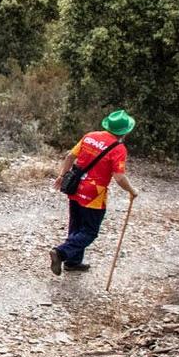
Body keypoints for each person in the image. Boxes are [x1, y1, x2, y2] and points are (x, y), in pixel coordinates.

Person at [49, 111, 138, 275]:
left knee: (76, 226)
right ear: (124, 131)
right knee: (89, 231)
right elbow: (119, 177)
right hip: (94, 194)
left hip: (75, 186)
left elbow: (70, 156)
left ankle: (73, 261)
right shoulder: (119, 149)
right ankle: (61, 253)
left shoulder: (90, 136)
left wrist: (62, 175)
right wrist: (132, 191)